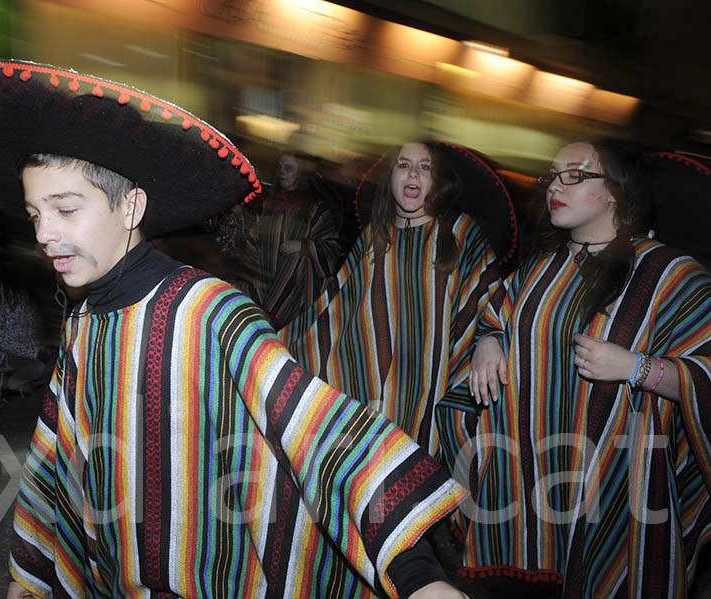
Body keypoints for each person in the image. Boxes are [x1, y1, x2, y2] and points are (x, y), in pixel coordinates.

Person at [0, 60, 471, 599]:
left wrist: (419, 579)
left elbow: (314, 431)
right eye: (34, 213)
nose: (45, 233)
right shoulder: (83, 322)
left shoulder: (206, 308)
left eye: (66, 209)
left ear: (131, 206)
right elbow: (57, 465)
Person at [463, 140, 711, 597]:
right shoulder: (538, 268)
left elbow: (705, 372)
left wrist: (638, 368)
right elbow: (496, 315)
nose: (555, 186)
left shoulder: (671, 273)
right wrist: (490, 342)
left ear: (615, 190)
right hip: (526, 493)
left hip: (618, 493)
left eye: (574, 175)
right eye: (553, 176)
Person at [281, 141, 515, 463]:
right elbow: (334, 305)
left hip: (427, 395)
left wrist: (489, 338)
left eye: (425, 166)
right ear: (391, 178)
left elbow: (489, 290)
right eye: (403, 165)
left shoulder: (460, 233)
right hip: (368, 395)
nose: (413, 173)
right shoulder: (374, 235)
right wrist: (277, 346)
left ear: (438, 180)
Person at [251, 151, 343, 329]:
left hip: (300, 287)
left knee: (297, 260)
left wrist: (305, 246)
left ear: (300, 173)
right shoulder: (268, 203)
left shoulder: (316, 209)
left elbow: (331, 247)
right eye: (280, 167)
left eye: (289, 168)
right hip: (265, 275)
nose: (282, 171)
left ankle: (267, 319)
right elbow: (254, 240)